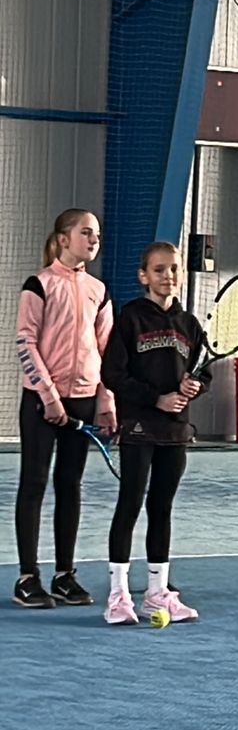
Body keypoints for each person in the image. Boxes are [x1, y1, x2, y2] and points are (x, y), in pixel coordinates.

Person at [100, 242, 210, 625]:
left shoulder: (189, 324)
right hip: (138, 427)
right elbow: (112, 374)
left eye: (174, 269)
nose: (168, 277)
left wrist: (195, 386)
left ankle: (157, 593)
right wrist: (155, 399)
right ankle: (118, 595)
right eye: (159, 270)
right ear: (143, 276)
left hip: (175, 431)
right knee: (129, 504)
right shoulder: (130, 318)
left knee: (161, 508)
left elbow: (202, 370)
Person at [13, 208, 116, 609]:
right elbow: (25, 342)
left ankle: (64, 575)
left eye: (97, 235)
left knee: (70, 485)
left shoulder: (100, 291)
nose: (93, 240)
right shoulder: (37, 285)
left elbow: (106, 352)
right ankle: (27, 577)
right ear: (62, 239)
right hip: (42, 402)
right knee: (34, 482)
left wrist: (105, 401)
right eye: (85, 233)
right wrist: (49, 397)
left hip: (85, 401)